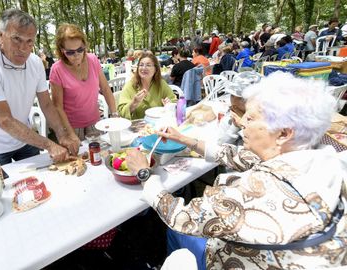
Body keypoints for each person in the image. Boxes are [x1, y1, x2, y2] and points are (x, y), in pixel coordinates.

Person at [125, 72, 347, 269]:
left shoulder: (258, 191)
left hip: (241, 259)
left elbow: (181, 216)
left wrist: (144, 173)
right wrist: (184, 140)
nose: (242, 123)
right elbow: (239, 156)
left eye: (250, 118)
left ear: (283, 133)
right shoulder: (320, 159)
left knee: (175, 232)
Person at [0, 9, 77, 165]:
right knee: (3, 189)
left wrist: (62, 135)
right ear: (1, 36)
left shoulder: (35, 62)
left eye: (29, 41)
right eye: (16, 39)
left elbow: (46, 103)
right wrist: (49, 145)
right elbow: (4, 119)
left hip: (24, 139)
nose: (23, 48)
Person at [49, 23, 117, 142]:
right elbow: (57, 106)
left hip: (95, 122)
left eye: (80, 50)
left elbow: (106, 89)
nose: (76, 55)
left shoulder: (93, 60)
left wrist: (115, 114)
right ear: (62, 50)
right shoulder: (57, 70)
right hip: (71, 127)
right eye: (70, 52)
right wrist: (70, 134)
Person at [117, 53, 177, 120]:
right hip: (136, 127)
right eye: (141, 65)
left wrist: (169, 105)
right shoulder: (130, 85)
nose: (144, 68)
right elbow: (121, 112)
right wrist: (134, 103)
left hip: (158, 125)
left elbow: (174, 101)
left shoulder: (160, 84)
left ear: (155, 69)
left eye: (148, 65)